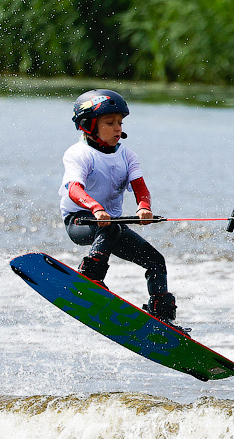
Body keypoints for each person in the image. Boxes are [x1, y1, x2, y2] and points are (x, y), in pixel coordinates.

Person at [59, 89, 184, 329]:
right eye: (110, 123)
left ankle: (162, 316)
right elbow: (74, 189)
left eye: (120, 122)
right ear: (88, 125)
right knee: (110, 228)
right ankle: (91, 278)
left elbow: (140, 187)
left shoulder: (127, 155)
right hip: (80, 221)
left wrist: (144, 208)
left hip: (110, 225)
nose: (118, 128)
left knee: (156, 261)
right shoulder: (78, 154)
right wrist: (96, 208)